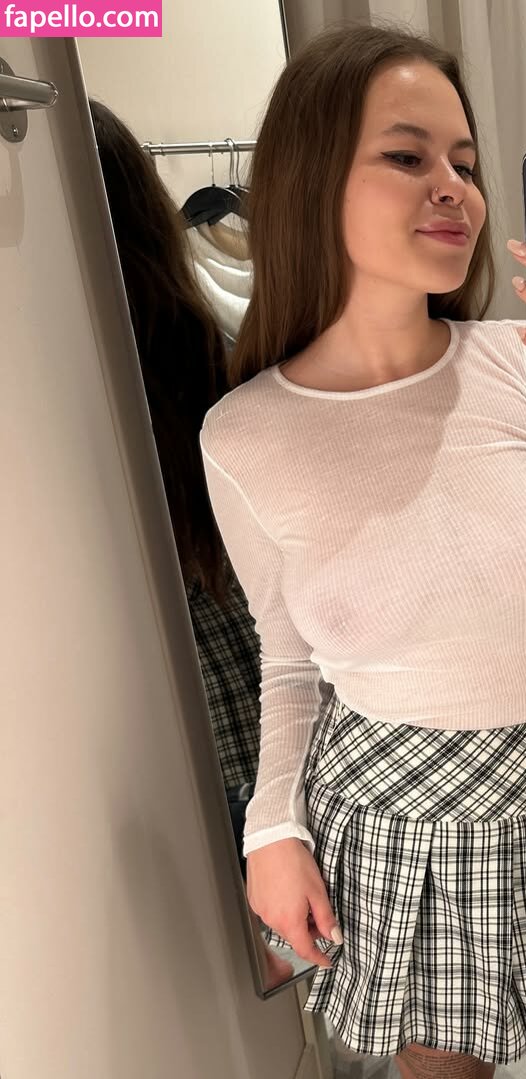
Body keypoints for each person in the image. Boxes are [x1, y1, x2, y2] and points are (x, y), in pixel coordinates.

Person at [198, 22, 526, 1079]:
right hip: (392, 824)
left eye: (466, 163)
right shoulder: (244, 437)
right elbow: (288, 657)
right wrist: (271, 828)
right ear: (311, 177)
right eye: (408, 154)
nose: (455, 189)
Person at [89, 98, 296, 990]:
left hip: (158, 695)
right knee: (275, 949)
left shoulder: (169, 356)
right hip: (241, 675)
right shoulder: (206, 348)